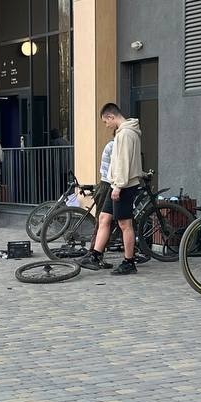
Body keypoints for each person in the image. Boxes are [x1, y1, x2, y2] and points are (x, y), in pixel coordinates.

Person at [81, 103, 143, 275]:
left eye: (105, 122)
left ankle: (129, 262)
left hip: (122, 185)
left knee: (124, 224)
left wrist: (118, 186)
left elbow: (123, 162)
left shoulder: (126, 134)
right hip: (115, 183)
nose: (106, 125)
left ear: (111, 117)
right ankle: (95, 255)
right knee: (104, 218)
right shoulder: (125, 133)